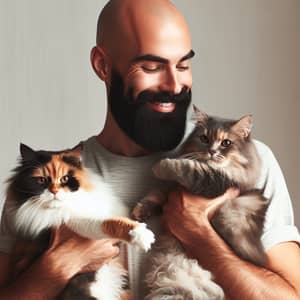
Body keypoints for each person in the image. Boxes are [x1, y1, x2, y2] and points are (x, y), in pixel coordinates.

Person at [0, 0, 299, 299]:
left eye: (183, 65)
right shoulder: (39, 186)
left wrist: (200, 237)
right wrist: (64, 263)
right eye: (151, 67)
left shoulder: (245, 165)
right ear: (102, 65)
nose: (174, 83)